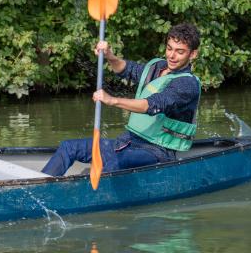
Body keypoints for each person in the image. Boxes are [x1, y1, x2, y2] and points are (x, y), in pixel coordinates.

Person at [41, 22, 201, 176]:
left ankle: (87, 196)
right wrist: (110, 56)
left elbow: (151, 105)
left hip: (157, 151)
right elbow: (127, 69)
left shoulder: (187, 84)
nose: (171, 56)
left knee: (113, 162)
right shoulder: (157, 66)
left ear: (192, 54)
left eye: (180, 52)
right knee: (69, 147)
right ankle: (40, 188)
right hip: (128, 141)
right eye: (169, 49)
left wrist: (112, 100)